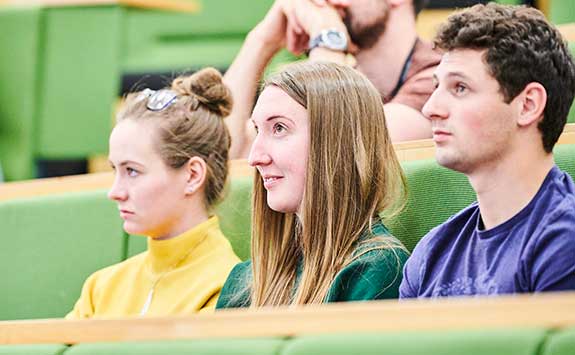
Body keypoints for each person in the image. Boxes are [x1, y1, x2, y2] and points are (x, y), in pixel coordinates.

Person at [400, 3, 575, 298]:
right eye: (436, 87)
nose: (431, 109)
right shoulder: (429, 254)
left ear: (528, 105)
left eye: (460, 88)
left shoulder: (564, 240)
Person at [216, 62, 409, 309]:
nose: (255, 157)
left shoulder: (375, 270)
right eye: (257, 130)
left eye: (279, 128)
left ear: (336, 142)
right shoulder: (243, 281)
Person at [67, 68, 241, 318]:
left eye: (133, 171)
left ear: (192, 175)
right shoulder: (100, 289)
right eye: (115, 170)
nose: (114, 193)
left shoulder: (226, 289)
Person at [225, 0, 441, 159]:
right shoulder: (340, 73)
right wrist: (262, 41)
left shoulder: (440, 78)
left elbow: (326, 154)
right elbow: (224, 153)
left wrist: (328, 38)